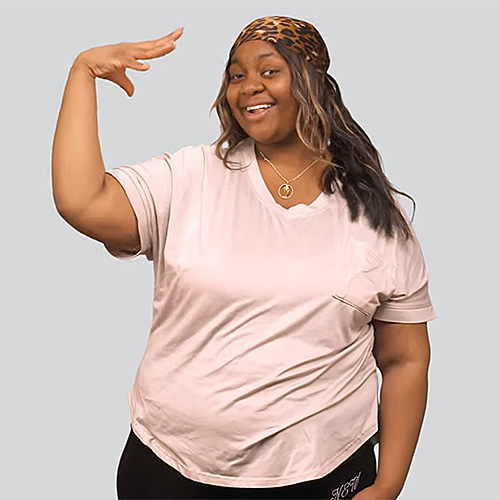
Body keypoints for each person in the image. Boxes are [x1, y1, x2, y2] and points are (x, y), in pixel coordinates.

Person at [52, 16, 436, 500]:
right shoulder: (190, 178)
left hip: (321, 475)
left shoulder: (376, 214)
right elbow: (81, 201)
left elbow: (405, 358)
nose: (249, 86)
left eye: (269, 71)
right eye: (236, 75)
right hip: (169, 469)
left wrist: (389, 484)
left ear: (313, 82)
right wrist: (83, 72)